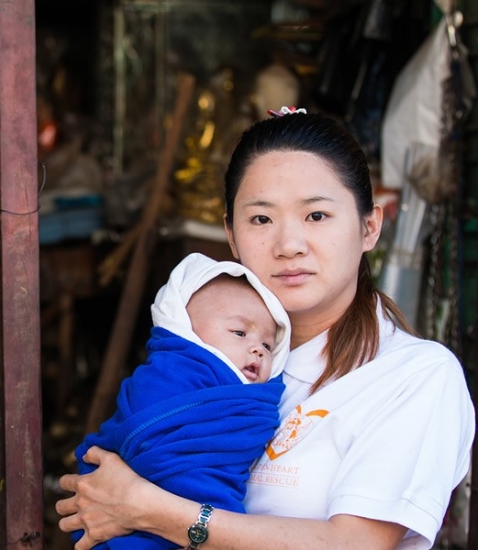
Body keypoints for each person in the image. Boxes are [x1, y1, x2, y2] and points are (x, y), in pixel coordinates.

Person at [56, 110, 475, 550]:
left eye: (316, 215)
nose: (288, 245)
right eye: (261, 219)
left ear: (369, 227)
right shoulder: (214, 359)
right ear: (231, 237)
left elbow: (355, 544)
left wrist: (152, 511)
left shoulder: (412, 375)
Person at [73, 252, 292, 550]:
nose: (257, 350)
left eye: (268, 344)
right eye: (239, 332)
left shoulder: (258, 400)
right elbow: (146, 436)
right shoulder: (170, 377)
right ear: (186, 333)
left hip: (203, 521)